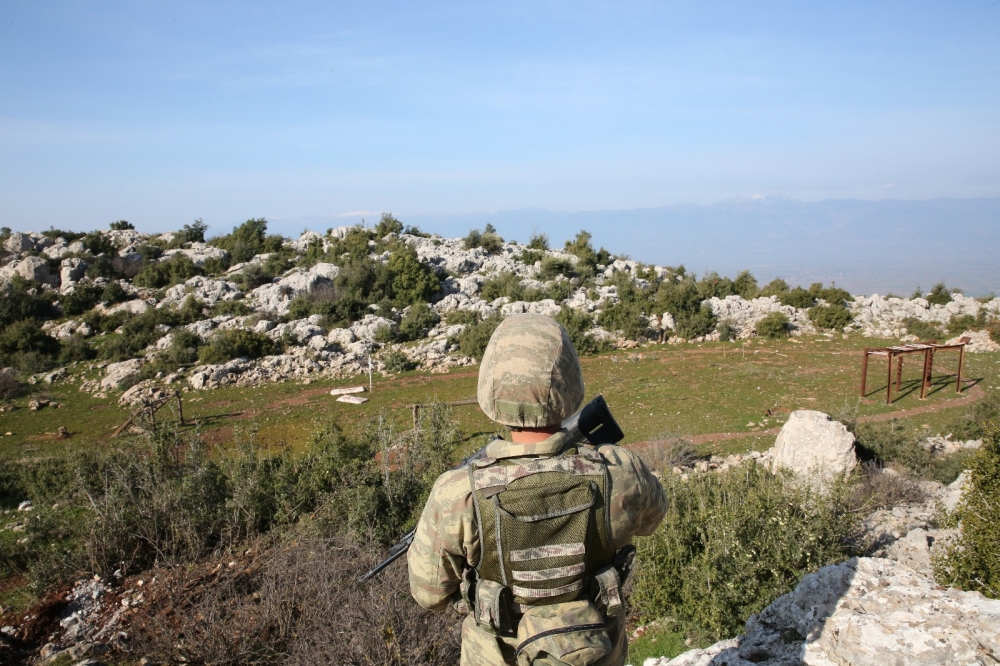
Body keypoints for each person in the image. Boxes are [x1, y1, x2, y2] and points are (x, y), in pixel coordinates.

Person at [408, 314, 667, 666]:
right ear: (570, 381)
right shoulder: (619, 471)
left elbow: (430, 595)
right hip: (597, 653)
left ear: (491, 389)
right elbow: (653, 519)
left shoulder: (457, 494)